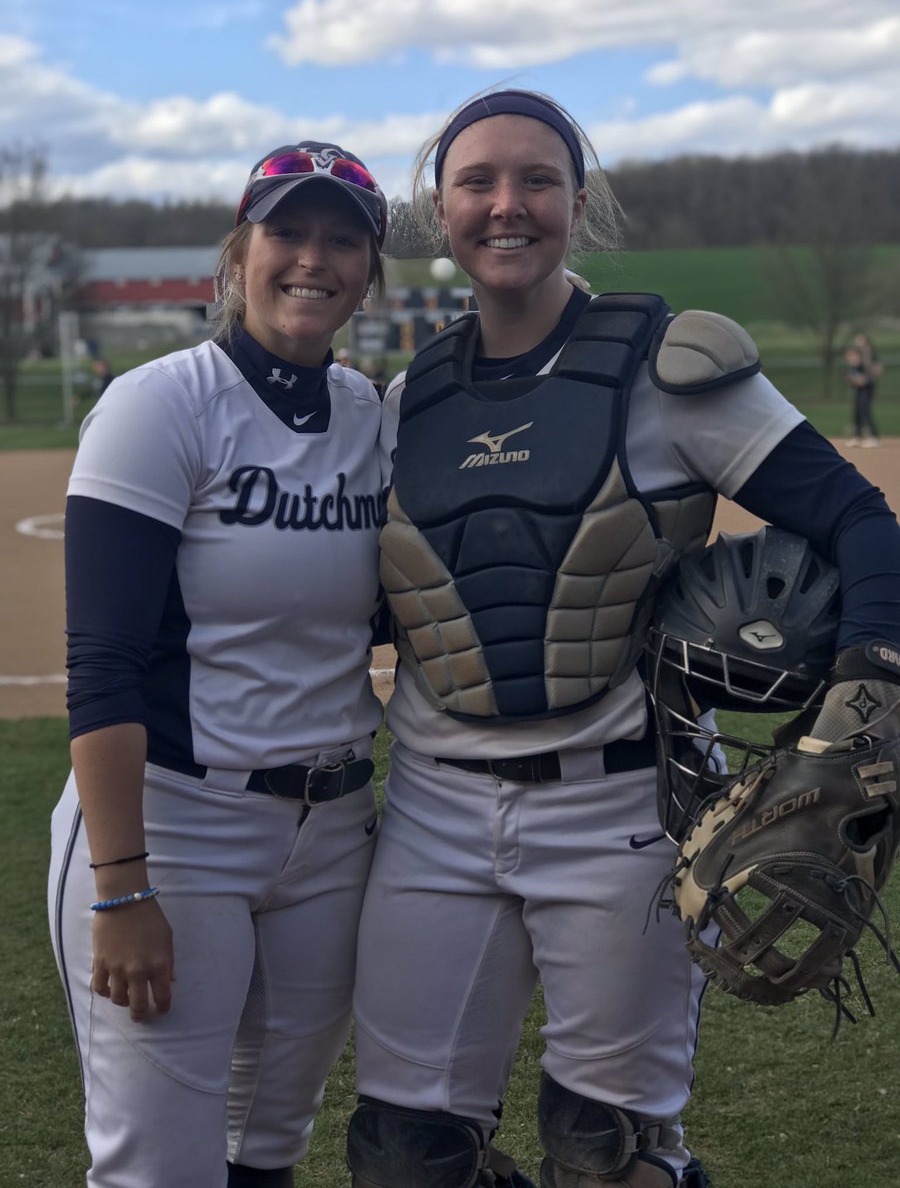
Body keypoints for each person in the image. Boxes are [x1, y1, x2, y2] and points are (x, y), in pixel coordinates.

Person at [347, 89, 900, 1188]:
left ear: (578, 202)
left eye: (537, 180)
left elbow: (858, 519)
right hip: (433, 809)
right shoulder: (404, 398)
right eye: (478, 182)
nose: (508, 206)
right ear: (440, 209)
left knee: (608, 1157)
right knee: (405, 1156)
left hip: (620, 808)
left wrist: (872, 675)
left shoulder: (671, 367)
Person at [48, 140, 390, 1188]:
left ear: (369, 272)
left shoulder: (373, 416)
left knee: (267, 1150)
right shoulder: (162, 404)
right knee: (161, 1166)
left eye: (342, 240)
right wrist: (120, 888)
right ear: (239, 251)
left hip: (331, 831)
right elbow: (101, 663)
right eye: (287, 230)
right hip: (174, 824)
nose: (311, 258)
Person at [844, 332, 882, 447]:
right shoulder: (856, 355)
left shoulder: (870, 354)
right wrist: (852, 378)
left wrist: (866, 377)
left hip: (868, 387)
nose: (859, 343)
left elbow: (877, 370)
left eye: (861, 341)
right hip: (858, 387)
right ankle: (858, 437)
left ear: (867, 342)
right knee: (856, 411)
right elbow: (851, 371)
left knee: (865, 410)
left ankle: (874, 438)